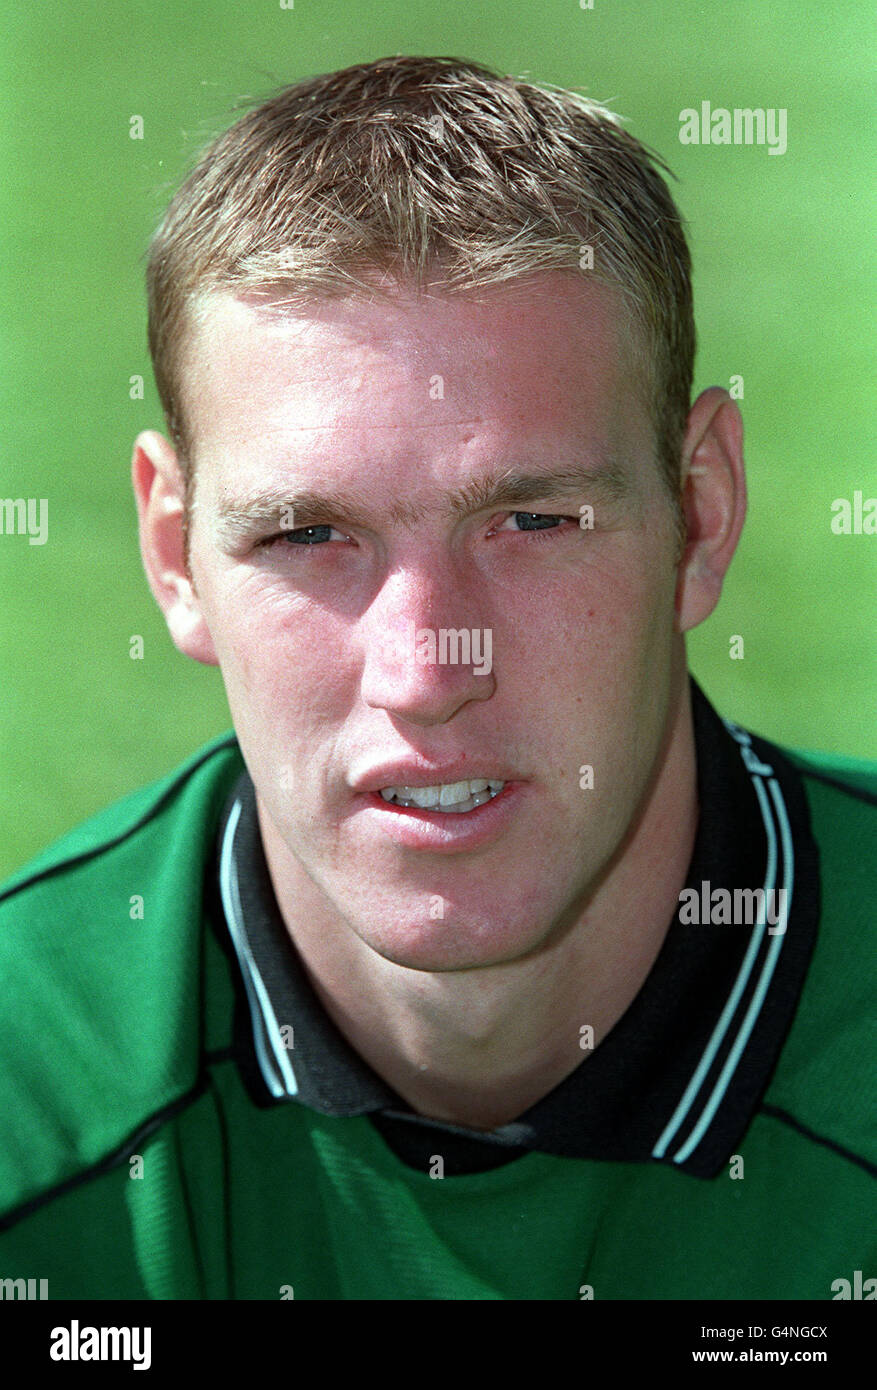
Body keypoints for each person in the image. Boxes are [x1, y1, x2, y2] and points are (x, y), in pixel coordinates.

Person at [0, 55, 873, 1301]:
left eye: (533, 520)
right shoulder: (27, 1108)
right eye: (308, 534)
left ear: (700, 512)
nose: (423, 676)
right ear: (173, 556)